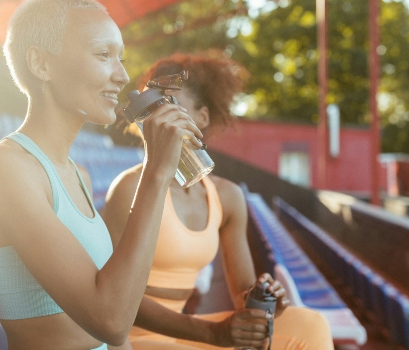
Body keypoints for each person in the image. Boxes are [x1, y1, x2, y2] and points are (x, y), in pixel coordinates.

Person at [0, 1, 204, 349]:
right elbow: (111, 320)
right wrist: (156, 173)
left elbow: (117, 314)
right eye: (103, 54)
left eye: (120, 56)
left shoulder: (80, 174)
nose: (122, 75)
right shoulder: (2, 168)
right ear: (41, 63)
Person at [102, 52, 333, 349]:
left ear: (202, 118)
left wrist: (262, 299)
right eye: (150, 110)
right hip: (132, 339)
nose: (158, 120)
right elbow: (113, 301)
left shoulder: (227, 197)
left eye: (170, 107)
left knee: (310, 326)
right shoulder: (128, 187)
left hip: (181, 336)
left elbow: (242, 297)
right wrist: (213, 333)